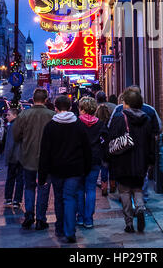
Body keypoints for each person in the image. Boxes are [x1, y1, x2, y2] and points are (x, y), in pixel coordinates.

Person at [38, 95, 92, 243]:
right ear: (70, 107)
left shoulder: (50, 127)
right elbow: (87, 149)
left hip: (56, 170)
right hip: (75, 170)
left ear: (55, 108)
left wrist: (42, 175)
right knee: (70, 198)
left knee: (59, 199)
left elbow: (44, 153)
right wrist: (86, 169)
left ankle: (60, 228)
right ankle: (70, 230)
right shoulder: (78, 125)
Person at [108, 87, 155, 233]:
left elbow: (112, 142)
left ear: (126, 103)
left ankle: (129, 222)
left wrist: (109, 162)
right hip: (141, 161)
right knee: (138, 189)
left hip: (122, 161)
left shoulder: (118, 119)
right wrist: (150, 161)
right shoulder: (146, 120)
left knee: (124, 192)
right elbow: (151, 143)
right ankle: (140, 208)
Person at [108, 85, 162, 202]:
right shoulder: (150, 111)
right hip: (143, 152)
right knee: (142, 179)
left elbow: (110, 131)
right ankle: (142, 201)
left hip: (123, 152)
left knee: (124, 186)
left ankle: (128, 213)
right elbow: (157, 130)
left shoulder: (118, 111)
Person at [13, 88, 55, 230]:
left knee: (29, 187)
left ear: (33, 99)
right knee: (43, 188)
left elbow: (16, 136)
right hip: (47, 159)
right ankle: (41, 219)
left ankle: (29, 215)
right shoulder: (51, 115)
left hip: (28, 157)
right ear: (46, 100)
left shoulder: (24, 115)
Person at [76, 97, 108, 228]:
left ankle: (80, 217)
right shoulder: (100, 124)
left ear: (82, 109)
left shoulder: (77, 123)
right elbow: (106, 140)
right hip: (95, 159)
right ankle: (89, 219)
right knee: (91, 189)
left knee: (79, 190)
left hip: (79, 160)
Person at [3, 108, 23, 209]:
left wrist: (7, 157)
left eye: (8, 115)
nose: (7, 117)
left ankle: (8, 198)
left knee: (10, 178)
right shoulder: (23, 124)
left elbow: (10, 143)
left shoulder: (12, 126)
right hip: (22, 157)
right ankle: (17, 200)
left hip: (14, 157)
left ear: (15, 115)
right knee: (20, 179)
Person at [95, 104, 116, 196]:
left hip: (102, 150)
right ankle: (112, 186)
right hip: (111, 148)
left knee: (104, 168)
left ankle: (104, 188)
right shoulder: (111, 123)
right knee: (112, 168)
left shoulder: (97, 124)